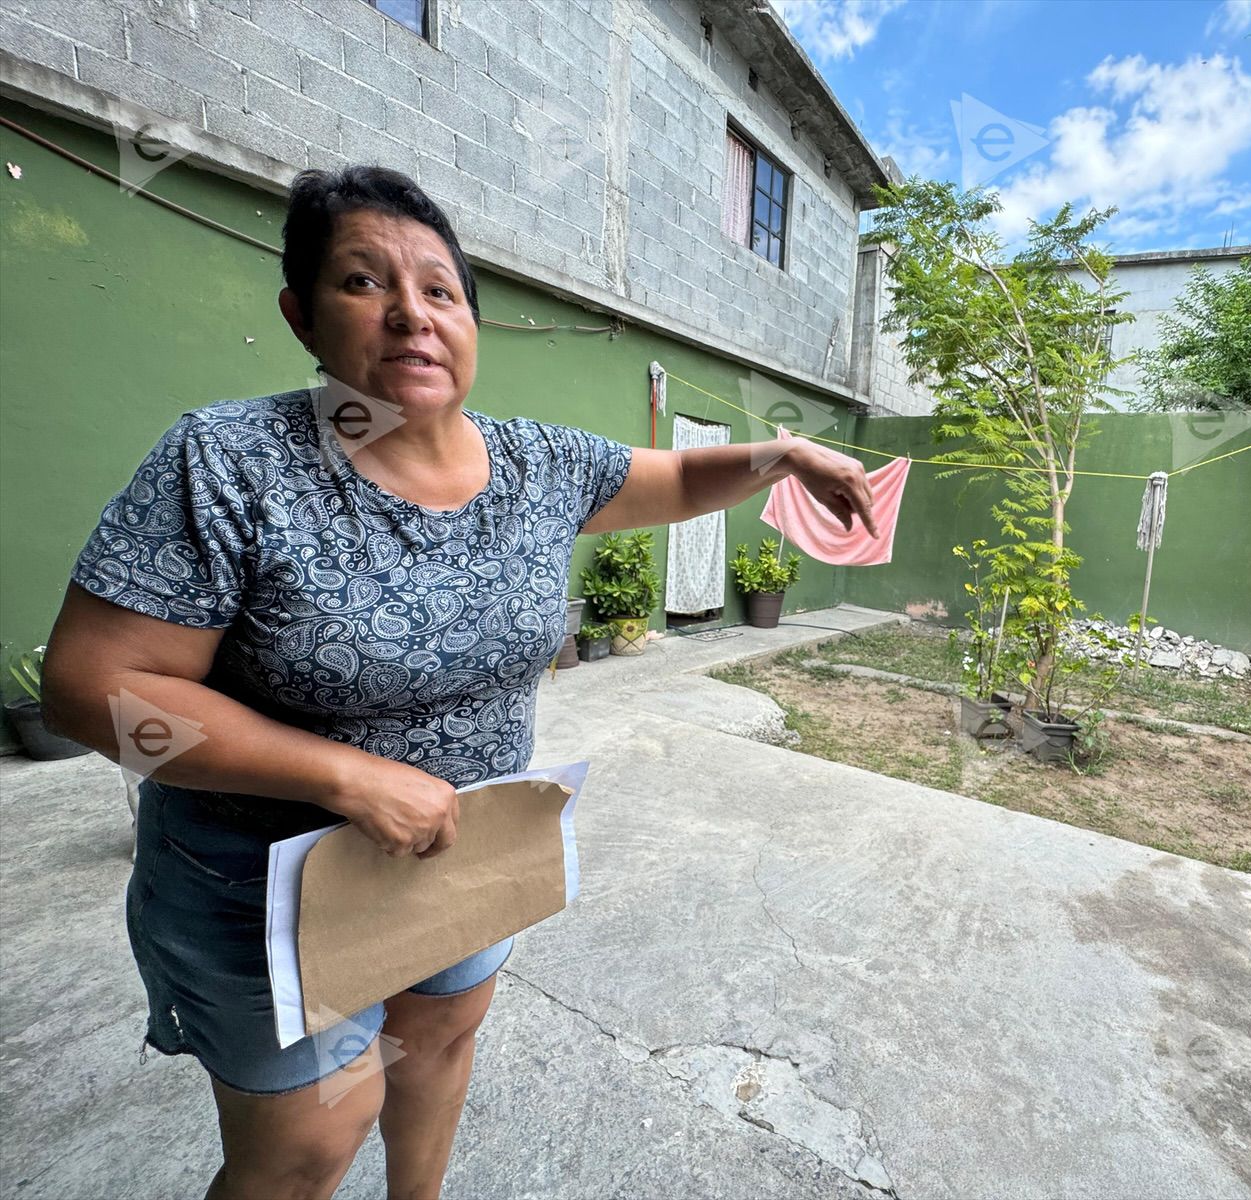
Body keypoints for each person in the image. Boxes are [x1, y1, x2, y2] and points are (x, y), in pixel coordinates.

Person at [39, 165, 876, 1200]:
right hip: (263, 880)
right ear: (301, 315)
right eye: (362, 283)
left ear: (473, 323)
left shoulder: (537, 468)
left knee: (435, 1045)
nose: (410, 316)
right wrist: (343, 779)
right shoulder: (231, 464)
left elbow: (673, 481)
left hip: (463, 847)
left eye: (439, 291)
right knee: (312, 1140)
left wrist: (783, 454)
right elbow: (93, 693)